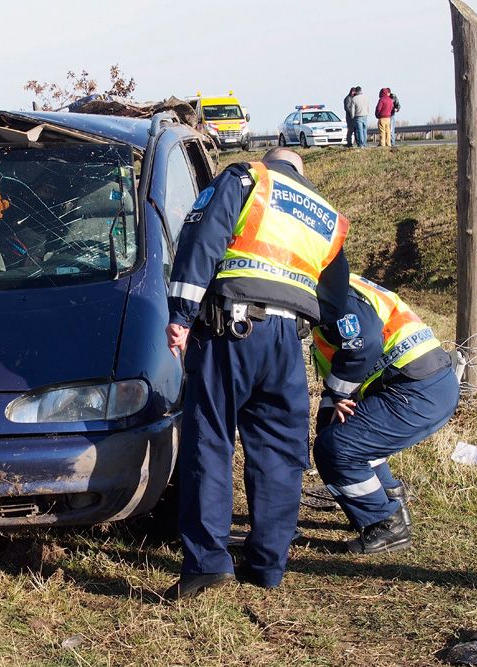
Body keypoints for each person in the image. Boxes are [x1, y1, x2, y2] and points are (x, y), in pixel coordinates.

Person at [163, 148, 351, 599]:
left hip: (232, 329)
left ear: (271, 160)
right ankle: (268, 562)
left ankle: (208, 561)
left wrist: (182, 315)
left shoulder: (249, 179)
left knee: (209, 440)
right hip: (287, 343)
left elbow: (203, 240)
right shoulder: (326, 214)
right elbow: (337, 298)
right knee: (280, 453)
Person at [311, 274, 459, 553]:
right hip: (425, 381)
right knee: (347, 434)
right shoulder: (344, 282)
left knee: (336, 448)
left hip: (415, 388)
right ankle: (391, 500)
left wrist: (336, 394)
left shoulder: (328, 290)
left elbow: (364, 343)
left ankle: (386, 523)